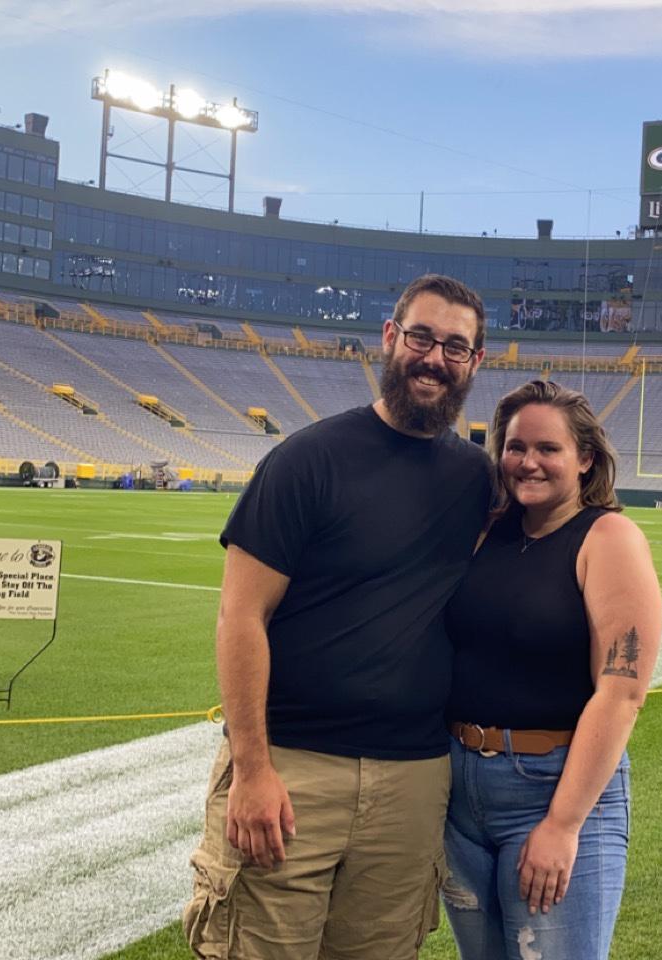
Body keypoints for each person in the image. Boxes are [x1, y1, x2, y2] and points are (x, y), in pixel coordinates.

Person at [182, 274, 492, 960]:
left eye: (455, 346)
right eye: (421, 336)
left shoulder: (478, 479)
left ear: (476, 362)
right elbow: (240, 617)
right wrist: (253, 769)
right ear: (390, 338)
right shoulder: (308, 459)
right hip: (294, 767)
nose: (434, 358)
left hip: (412, 777)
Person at [442, 379, 662, 960]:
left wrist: (563, 825)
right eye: (515, 447)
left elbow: (622, 693)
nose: (528, 462)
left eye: (548, 449)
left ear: (585, 459)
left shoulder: (607, 537)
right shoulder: (491, 531)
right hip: (460, 792)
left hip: (552, 787)